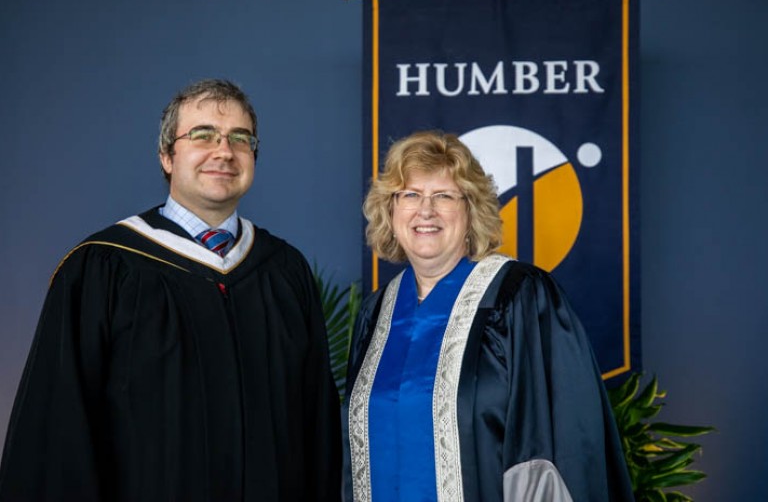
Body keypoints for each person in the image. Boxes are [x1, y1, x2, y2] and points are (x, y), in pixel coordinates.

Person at [0, 79, 341, 501]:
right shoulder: (102, 268)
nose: (224, 151)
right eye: (202, 135)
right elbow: (56, 431)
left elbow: (317, 429)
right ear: (166, 156)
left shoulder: (284, 270)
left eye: (241, 138)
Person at [342, 131, 634, 502]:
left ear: (470, 210)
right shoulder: (377, 312)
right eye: (410, 195)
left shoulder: (520, 297)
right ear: (390, 210)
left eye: (444, 195)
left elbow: (562, 444)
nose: (425, 210)